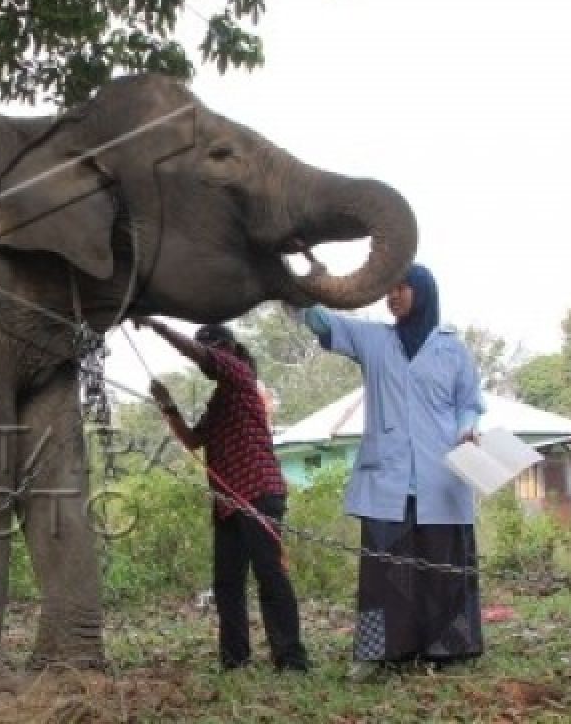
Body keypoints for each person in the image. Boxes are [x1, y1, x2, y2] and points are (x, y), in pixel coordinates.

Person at [293, 264, 485, 680]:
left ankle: (448, 651)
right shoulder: (374, 340)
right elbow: (321, 322)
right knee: (384, 575)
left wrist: (467, 428)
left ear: (423, 292)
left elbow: (469, 403)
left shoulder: (453, 350)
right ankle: (379, 653)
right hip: (387, 480)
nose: (392, 295)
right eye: (388, 288)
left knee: (443, 569)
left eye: (401, 287)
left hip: (443, 477)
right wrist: (304, 285)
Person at [136, 316, 310, 672]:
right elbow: (193, 440)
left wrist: (158, 327)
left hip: (259, 491)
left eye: (211, 349)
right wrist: (167, 405)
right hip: (229, 503)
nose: (206, 360)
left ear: (228, 350)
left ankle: (292, 660)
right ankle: (235, 660)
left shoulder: (241, 377)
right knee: (227, 582)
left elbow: (202, 355)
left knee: (270, 574)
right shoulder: (220, 400)